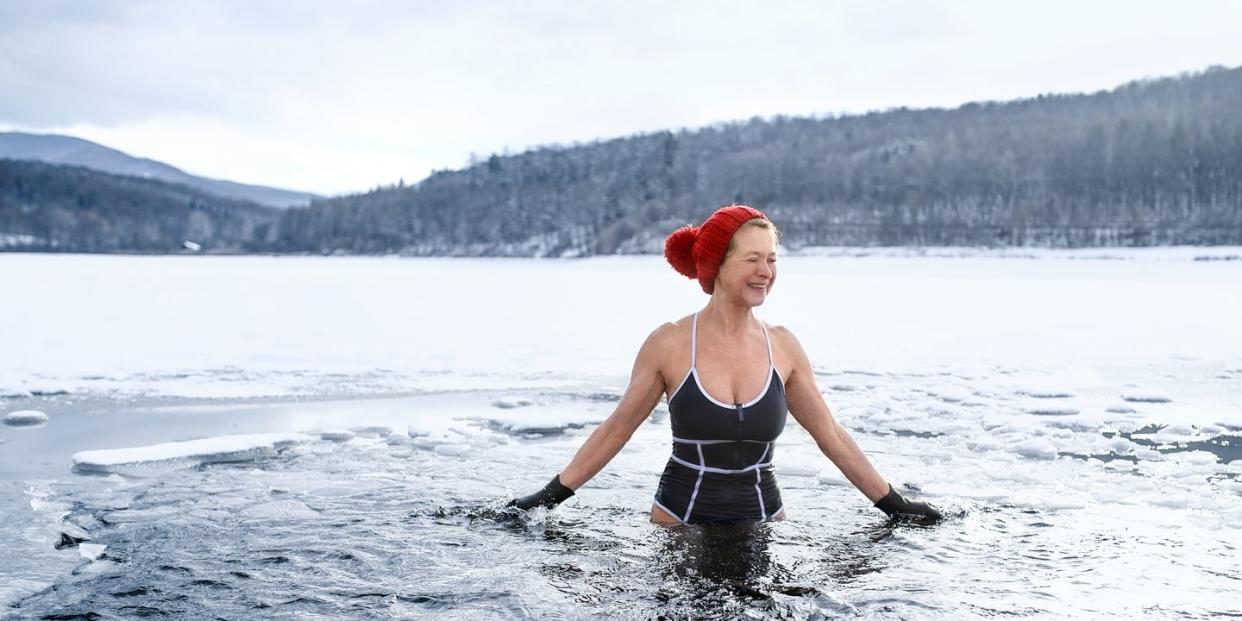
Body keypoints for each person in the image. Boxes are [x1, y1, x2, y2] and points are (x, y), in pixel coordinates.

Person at [511, 205, 941, 524]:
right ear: (717, 265)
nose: (765, 271)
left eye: (771, 258)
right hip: (679, 524)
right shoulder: (671, 343)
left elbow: (831, 436)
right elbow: (617, 428)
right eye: (751, 258)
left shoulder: (784, 347)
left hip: (764, 521)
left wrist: (892, 503)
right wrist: (548, 497)